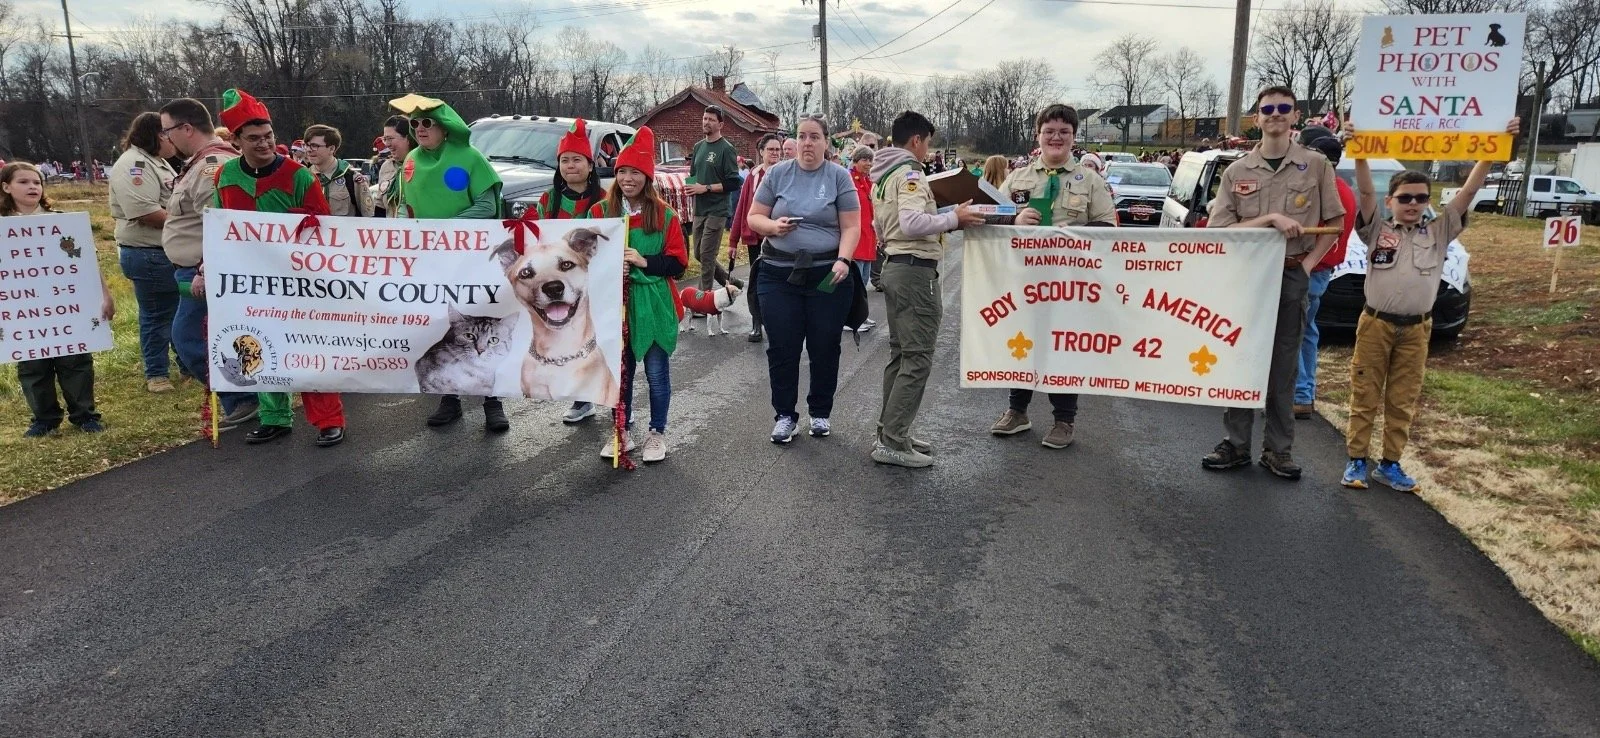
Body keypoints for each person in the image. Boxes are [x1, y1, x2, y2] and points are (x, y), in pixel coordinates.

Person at [1340, 117, 1520, 492]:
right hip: (1376, 325)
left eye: (1421, 198)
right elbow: (1367, 195)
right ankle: (1357, 460)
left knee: (1403, 398)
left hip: (1417, 328)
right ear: (1391, 201)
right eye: (1405, 198)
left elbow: (1468, 193)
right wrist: (1358, 151)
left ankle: (1390, 464)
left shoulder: (1438, 232)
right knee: (1365, 394)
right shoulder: (1377, 229)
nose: (1413, 204)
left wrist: (1493, 148)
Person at [1200, 85, 1346, 480]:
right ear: (1257, 118)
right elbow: (1221, 230)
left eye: (1284, 108)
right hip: (1246, 279)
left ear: (1295, 116)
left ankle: (1278, 450)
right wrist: (1267, 220)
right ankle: (1236, 444)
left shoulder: (1316, 166)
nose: (1276, 114)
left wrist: (1308, 264)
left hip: (1290, 272)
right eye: (1268, 109)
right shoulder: (1237, 171)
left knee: (1283, 364)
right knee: (1240, 358)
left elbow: (1335, 223)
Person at [211, 88, 347, 448]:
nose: (264, 144)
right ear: (236, 140)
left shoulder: (299, 176)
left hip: (298, 281)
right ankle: (274, 416)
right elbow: (216, 228)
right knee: (256, 344)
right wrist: (205, 268)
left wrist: (300, 225)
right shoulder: (224, 178)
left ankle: (328, 420)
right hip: (249, 283)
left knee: (310, 350)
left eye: (268, 137)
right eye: (254, 138)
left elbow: (325, 227)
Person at [989, 105, 1116, 450]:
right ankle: (1018, 411)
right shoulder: (1018, 178)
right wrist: (1013, 220)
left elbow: (1109, 227)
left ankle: (1064, 419)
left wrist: (1077, 230)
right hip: (1025, 280)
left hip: (1070, 282)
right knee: (1023, 342)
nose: (1056, 137)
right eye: (1049, 131)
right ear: (1038, 135)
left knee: (1063, 345)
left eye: (1064, 132)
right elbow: (990, 216)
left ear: (1074, 138)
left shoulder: (1091, 181)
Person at [869, 111, 986, 468]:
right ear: (917, 140)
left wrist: (946, 211)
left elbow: (882, 225)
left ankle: (892, 430)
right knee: (917, 357)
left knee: (902, 354)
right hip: (915, 272)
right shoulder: (909, 173)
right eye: (928, 141)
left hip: (896, 267)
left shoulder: (883, 174)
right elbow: (912, 221)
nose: (927, 149)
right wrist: (955, 219)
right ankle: (892, 441)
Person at [391, 93, 508, 432]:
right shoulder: (411, 160)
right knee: (443, 323)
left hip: (472, 258)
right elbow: (404, 205)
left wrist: (444, 230)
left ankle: (492, 401)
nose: (420, 128)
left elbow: (486, 206)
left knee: (482, 325)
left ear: (444, 127)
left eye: (427, 122)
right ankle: (449, 397)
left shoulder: (470, 158)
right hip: (431, 260)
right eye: (415, 124)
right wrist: (401, 228)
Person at [746, 114, 863, 444]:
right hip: (778, 273)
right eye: (802, 136)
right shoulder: (778, 174)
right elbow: (755, 217)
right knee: (782, 346)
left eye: (814, 137)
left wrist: (844, 259)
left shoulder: (839, 176)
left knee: (824, 345)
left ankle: (820, 412)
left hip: (828, 275)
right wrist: (774, 227)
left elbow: (852, 226)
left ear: (826, 142)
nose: (807, 143)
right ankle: (785, 416)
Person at [587, 127, 687, 464]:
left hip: (653, 303)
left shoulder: (665, 215)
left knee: (657, 372)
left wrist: (644, 261)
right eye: (623, 172)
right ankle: (621, 428)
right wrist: (613, 268)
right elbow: (585, 258)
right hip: (616, 306)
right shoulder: (600, 214)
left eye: (636, 173)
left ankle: (657, 432)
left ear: (647, 177)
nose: (629, 179)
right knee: (621, 370)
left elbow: (678, 264)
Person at [158, 96, 258, 429]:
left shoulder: (212, 165)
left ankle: (244, 397)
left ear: (186, 128)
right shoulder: (199, 163)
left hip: (205, 270)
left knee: (188, 337)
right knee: (204, 336)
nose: (165, 138)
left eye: (167, 130)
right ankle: (247, 397)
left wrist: (205, 269)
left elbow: (220, 226)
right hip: (195, 269)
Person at [3, 162, 115, 437]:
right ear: (6, 187)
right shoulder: (3, 228)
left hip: (67, 308)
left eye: (37, 182)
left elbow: (85, 262)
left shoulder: (63, 222)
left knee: (76, 361)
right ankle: (44, 418)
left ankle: (85, 414)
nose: (32, 187)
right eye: (24, 182)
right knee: (32, 365)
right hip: (23, 311)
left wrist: (104, 293)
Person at [531, 119, 610, 425]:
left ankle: (613, 397)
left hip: (596, 281)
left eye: (576, 160)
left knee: (598, 337)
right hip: (560, 285)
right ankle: (582, 398)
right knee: (570, 339)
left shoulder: (604, 200)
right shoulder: (548, 200)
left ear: (590, 166)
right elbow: (536, 236)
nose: (570, 166)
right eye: (564, 160)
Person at [107, 112, 184, 393]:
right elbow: (145, 211)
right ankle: (157, 374)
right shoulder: (134, 164)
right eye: (167, 133)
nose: (173, 140)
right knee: (155, 315)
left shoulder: (159, 162)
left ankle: (184, 364)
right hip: (148, 251)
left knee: (176, 311)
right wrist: (188, 225)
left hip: (165, 249)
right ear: (156, 134)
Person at [1292, 125, 1355, 420]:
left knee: (1293, 332)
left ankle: (1299, 393)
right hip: (1322, 270)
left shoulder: (1324, 190)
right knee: (1307, 332)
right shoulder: (1344, 189)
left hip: (1310, 268)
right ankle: (1305, 392)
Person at [729, 133, 784, 342]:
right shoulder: (753, 176)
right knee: (757, 280)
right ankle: (757, 323)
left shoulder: (786, 174)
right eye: (770, 150)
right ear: (761, 152)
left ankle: (777, 323)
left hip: (779, 238)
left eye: (777, 150)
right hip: (756, 238)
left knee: (779, 281)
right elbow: (742, 208)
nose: (775, 154)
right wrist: (733, 241)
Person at [685, 105, 741, 292]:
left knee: (707, 256)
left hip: (718, 210)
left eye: (711, 119)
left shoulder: (726, 149)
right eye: (704, 118)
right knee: (699, 254)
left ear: (720, 124)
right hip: (700, 208)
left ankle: (703, 299)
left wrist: (706, 188)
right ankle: (731, 283)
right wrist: (691, 187)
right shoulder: (698, 147)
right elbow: (692, 174)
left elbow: (734, 182)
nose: (706, 122)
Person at [303, 124, 374, 218]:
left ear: (331, 149)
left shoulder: (352, 179)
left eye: (314, 146)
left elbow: (369, 218)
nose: (308, 150)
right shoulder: (303, 178)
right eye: (306, 145)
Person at [847, 145, 880, 320]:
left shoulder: (869, 181)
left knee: (864, 280)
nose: (868, 163)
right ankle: (851, 316)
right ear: (856, 161)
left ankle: (860, 314)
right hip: (856, 239)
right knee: (855, 281)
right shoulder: (849, 179)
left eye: (870, 160)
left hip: (869, 238)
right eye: (864, 160)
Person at [376, 114, 413, 219]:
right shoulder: (387, 167)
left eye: (390, 138)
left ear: (408, 138)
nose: (387, 144)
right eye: (385, 139)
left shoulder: (424, 165)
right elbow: (380, 208)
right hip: (391, 233)